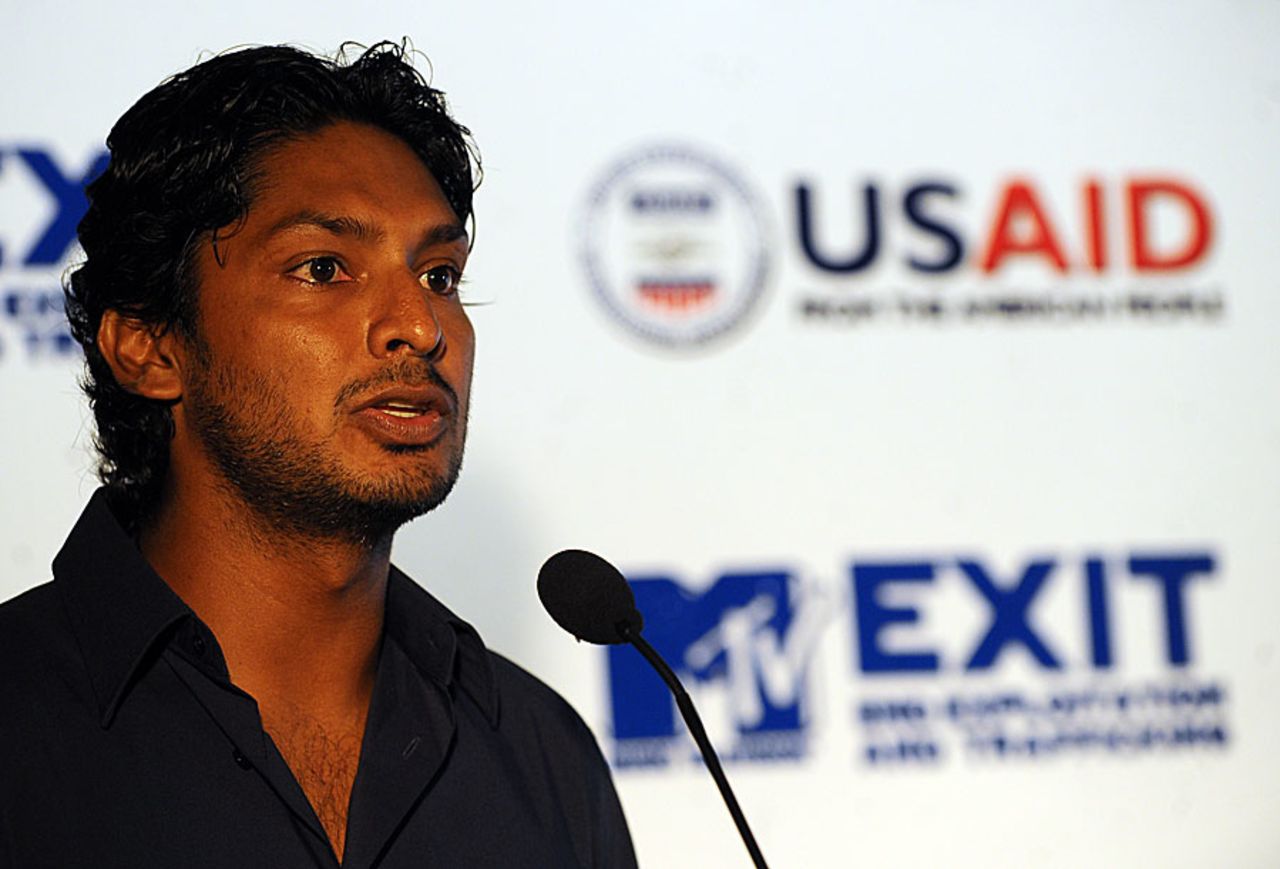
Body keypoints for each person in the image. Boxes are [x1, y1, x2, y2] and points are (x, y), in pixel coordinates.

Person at [0, 42, 637, 868]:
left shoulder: (540, 753)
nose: (419, 323)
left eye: (440, 275)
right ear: (151, 348)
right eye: (325, 267)